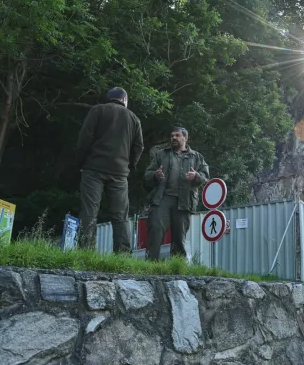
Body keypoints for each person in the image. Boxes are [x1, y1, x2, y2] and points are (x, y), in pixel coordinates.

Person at [76, 87, 144, 253]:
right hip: (120, 173)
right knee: (120, 216)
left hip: (93, 169)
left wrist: (81, 162)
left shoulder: (97, 110)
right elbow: (139, 147)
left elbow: (85, 138)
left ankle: (86, 252)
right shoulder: (134, 118)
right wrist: (130, 165)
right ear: (124, 100)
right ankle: (122, 255)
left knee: (89, 212)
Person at [144, 126, 209, 260]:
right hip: (162, 199)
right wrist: (155, 175)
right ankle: (150, 264)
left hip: (184, 201)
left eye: (177, 135)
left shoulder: (196, 157)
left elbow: (205, 176)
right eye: (172, 135)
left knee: (179, 236)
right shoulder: (161, 154)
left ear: (185, 138)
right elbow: (148, 174)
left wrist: (196, 176)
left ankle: (177, 267)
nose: (173, 138)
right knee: (155, 232)